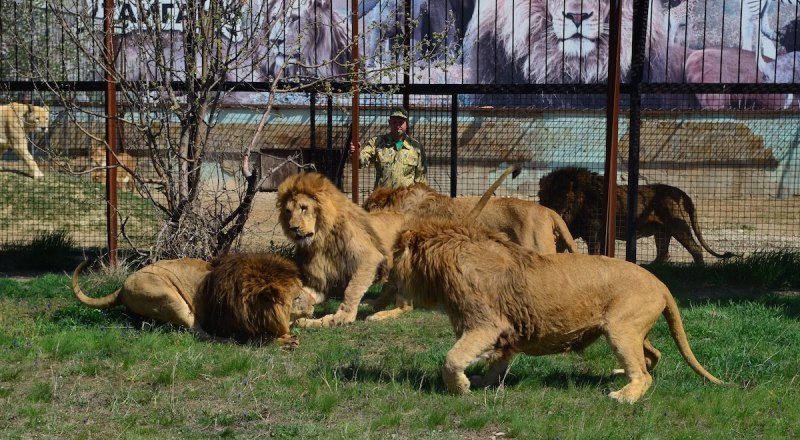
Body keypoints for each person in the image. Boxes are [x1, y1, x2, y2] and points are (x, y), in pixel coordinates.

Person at [349, 107, 428, 189]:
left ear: (407, 124)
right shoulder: (377, 142)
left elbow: (421, 180)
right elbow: (360, 163)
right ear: (389, 123)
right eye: (394, 122)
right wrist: (357, 153)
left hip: (405, 198)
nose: (398, 125)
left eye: (401, 122)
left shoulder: (416, 147)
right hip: (383, 198)